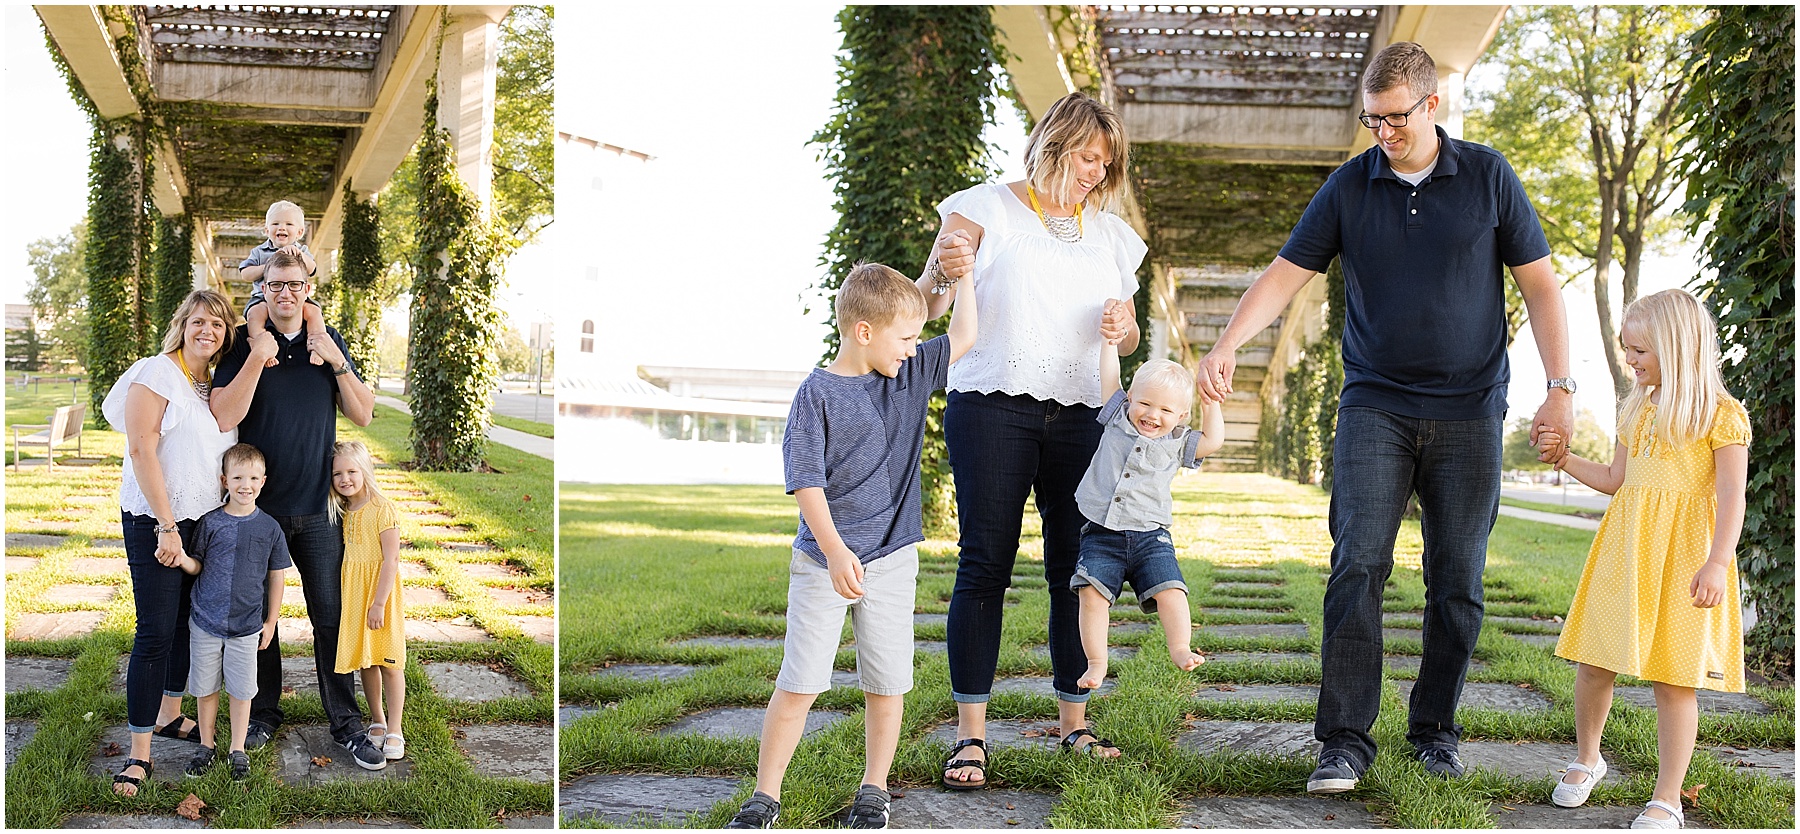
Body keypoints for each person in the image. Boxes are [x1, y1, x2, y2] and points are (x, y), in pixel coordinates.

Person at [1193, 42, 1574, 793]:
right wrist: (1228, 341)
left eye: (1396, 118)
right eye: (1373, 120)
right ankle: (1343, 738)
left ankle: (1435, 730)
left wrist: (1560, 385)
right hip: (1375, 405)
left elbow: (1541, 286)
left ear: (1432, 105)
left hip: (1470, 412)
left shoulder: (1489, 177)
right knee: (1357, 562)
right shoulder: (1348, 187)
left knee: (1458, 581)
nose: (1384, 133)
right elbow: (1285, 274)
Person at [925, 91, 1148, 790]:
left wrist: (1124, 327)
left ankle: (1074, 726)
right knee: (984, 564)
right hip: (991, 405)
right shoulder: (982, 207)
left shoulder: (1110, 235)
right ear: (1054, 141)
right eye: (1087, 156)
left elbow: (1133, 332)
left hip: (1083, 415)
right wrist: (943, 272)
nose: (1093, 172)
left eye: (1103, 164)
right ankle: (970, 738)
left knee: (1074, 574)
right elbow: (928, 300)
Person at [725, 262, 978, 829]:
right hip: (823, 559)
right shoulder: (815, 395)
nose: (915, 349)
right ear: (864, 332)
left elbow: (963, 336)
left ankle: (874, 790)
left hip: (892, 559)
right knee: (799, 682)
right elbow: (805, 481)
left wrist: (966, 275)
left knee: (887, 682)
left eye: (917, 338)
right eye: (907, 338)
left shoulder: (907, 378)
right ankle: (764, 798)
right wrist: (837, 551)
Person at [1537, 290, 1748, 830]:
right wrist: (1565, 459)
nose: (1630, 360)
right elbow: (1614, 480)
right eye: (1627, 350)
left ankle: (1667, 798)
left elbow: (1732, 497)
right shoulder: (1638, 409)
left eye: (1640, 352)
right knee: (1594, 661)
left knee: (1674, 680)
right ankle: (1588, 757)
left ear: (1677, 348)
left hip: (1686, 562)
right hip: (1626, 551)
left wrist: (1718, 562)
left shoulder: (1721, 415)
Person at [209, 250, 383, 770]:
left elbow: (364, 414)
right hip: (259, 514)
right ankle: (263, 712)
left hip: (317, 511)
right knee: (264, 621)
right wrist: (258, 356)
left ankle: (346, 722)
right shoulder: (244, 344)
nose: (285, 293)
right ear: (262, 291)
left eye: (294, 285)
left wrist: (337, 361)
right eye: (275, 285)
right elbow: (224, 415)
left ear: (308, 290)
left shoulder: (326, 343)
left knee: (330, 617)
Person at [101, 289, 239, 796]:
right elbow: (141, 448)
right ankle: (139, 753)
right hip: (158, 521)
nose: (208, 331)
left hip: (200, 521)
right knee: (156, 632)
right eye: (199, 321)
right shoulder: (157, 371)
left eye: (218, 325)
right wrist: (165, 525)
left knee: (187, 624)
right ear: (182, 323)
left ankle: (169, 714)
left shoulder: (208, 385)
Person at [1072, 343, 1224, 690]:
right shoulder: (1116, 418)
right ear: (1129, 400)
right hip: (1102, 532)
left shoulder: (1178, 442)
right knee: (1091, 596)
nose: (1152, 414)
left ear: (1182, 417)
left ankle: (1181, 647)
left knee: (1172, 591)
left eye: (1166, 409)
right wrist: (1110, 345)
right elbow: (1110, 378)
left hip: (1150, 538)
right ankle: (1096, 662)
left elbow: (1213, 441)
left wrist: (1210, 403)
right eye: (1144, 403)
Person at [173, 444, 291, 781]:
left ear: (263, 481)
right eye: (238, 477)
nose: (245, 485)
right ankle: (206, 745)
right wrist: (183, 559)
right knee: (206, 687)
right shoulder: (211, 523)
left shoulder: (269, 528)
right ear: (225, 480)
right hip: (206, 621)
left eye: (253, 478)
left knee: (241, 690)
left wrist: (271, 621)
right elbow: (197, 565)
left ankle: (236, 749)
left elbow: (277, 575)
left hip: (247, 625)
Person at [330, 440, 408, 762]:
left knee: (388, 661)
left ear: (365, 470)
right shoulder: (343, 510)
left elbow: (391, 560)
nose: (345, 478)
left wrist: (378, 603)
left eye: (351, 471)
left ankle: (395, 727)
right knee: (367, 659)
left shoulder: (382, 508)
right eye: (337, 474)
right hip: (355, 595)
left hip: (380, 596)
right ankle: (376, 718)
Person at [238, 200, 327, 366]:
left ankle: (317, 346)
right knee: (255, 314)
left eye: (289, 224)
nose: (281, 228)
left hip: (295, 299)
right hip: (262, 297)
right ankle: (259, 345)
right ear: (266, 230)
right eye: (275, 223)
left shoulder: (302, 251)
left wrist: (300, 256)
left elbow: (312, 269)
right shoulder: (259, 252)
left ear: (299, 232)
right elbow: (245, 274)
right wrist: (269, 264)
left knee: (314, 312)